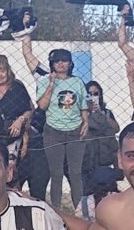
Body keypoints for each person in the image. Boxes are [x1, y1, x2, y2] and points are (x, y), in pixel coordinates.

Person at [27, 42, 91, 212]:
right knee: (56, 173)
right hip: (53, 131)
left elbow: (83, 105)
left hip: (75, 130)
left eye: (65, 60)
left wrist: (85, 122)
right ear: (52, 64)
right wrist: (51, 84)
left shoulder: (77, 82)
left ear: (70, 63)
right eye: (57, 61)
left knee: (75, 173)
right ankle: (56, 210)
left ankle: (80, 210)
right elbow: (42, 106)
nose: (61, 64)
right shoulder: (45, 81)